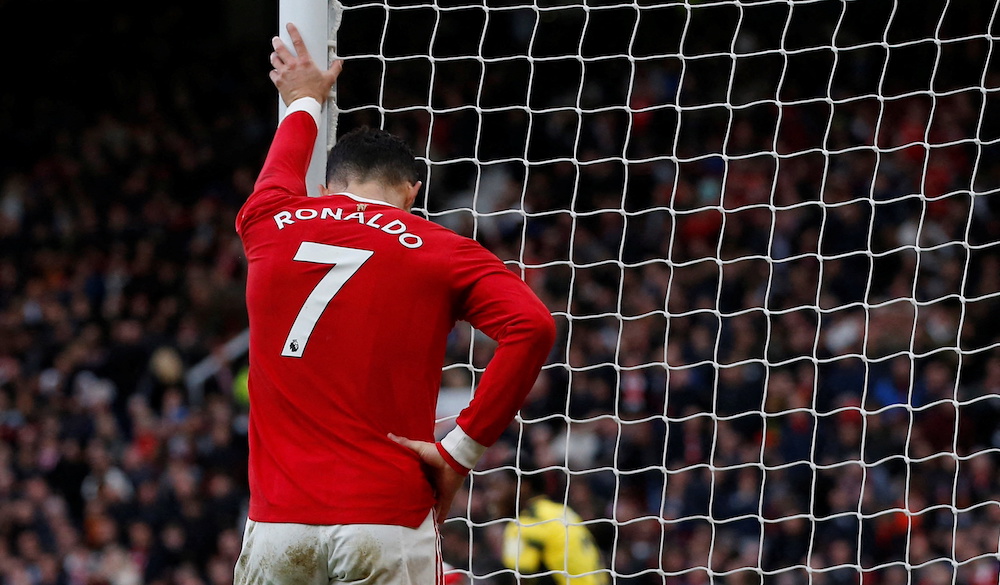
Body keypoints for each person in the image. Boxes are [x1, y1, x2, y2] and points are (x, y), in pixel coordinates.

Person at [232, 23, 556, 585]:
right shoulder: (444, 250)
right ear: (412, 192)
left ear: (328, 185)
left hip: (277, 526)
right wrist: (460, 450)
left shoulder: (267, 219)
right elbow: (533, 326)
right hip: (384, 518)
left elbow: (282, 165)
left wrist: (305, 97)